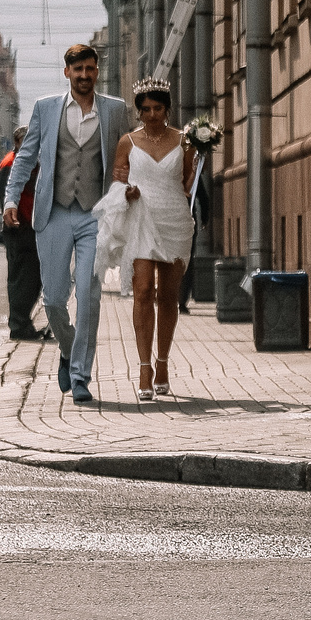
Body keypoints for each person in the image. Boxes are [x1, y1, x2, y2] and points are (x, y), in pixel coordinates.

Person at [4, 44, 129, 403]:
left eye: (90, 69)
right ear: (67, 73)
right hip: (55, 212)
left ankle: (80, 377)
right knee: (55, 298)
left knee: (89, 295)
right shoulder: (46, 108)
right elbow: (24, 158)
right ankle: (68, 347)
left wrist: (129, 190)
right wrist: (11, 199)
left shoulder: (115, 110)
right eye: (78, 70)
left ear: (96, 71)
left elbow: (126, 157)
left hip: (95, 214)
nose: (85, 75)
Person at [110, 78, 198, 402]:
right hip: (141, 218)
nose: (150, 115)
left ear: (167, 108)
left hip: (174, 219)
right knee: (144, 291)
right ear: (138, 111)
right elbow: (119, 179)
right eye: (144, 109)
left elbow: (189, 182)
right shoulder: (127, 142)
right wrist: (127, 190)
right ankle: (144, 367)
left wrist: (198, 163)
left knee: (169, 296)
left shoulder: (185, 141)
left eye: (157, 108)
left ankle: (163, 362)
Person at [0, 124, 44, 341]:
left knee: (33, 277)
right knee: (21, 278)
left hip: (32, 228)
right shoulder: (11, 164)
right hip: (19, 229)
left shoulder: (33, 164)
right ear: (17, 143)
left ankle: (23, 323)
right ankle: (18, 325)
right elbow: (10, 198)